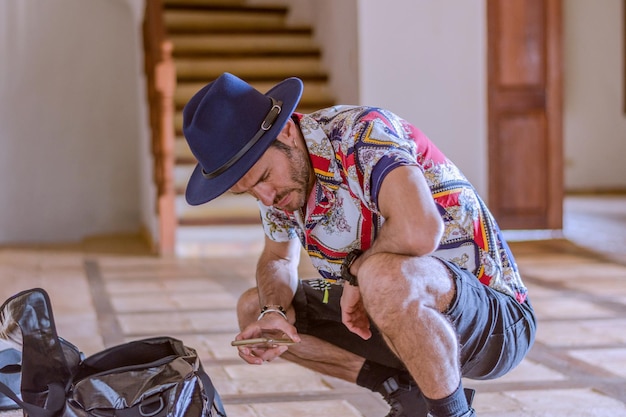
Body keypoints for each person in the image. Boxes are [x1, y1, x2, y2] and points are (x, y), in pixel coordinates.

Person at [182, 72, 537, 417]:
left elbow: (419, 230)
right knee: (253, 309)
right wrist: (273, 312)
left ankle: (453, 413)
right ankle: (403, 391)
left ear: (287, 132)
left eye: (263, 178)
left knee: (380, 276)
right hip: (392, 315)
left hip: (494, 322)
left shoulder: (361, 133)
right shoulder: (279, 189)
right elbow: (277, 259)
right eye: (248, 192)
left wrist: (355, 275)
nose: (266, 197)